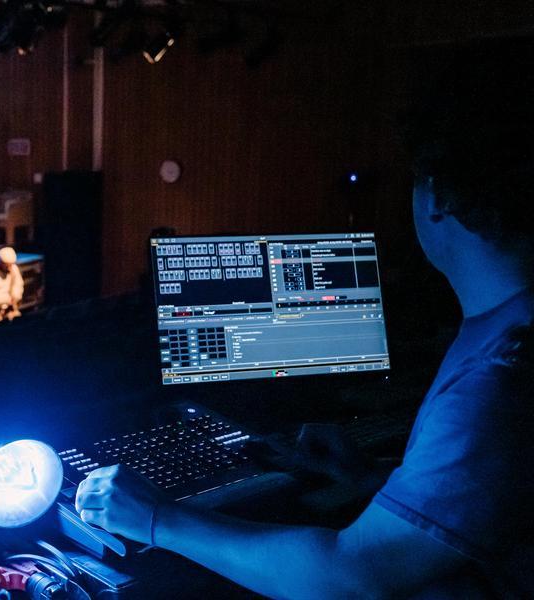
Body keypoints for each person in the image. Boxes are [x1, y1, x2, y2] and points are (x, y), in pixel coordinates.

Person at [75, 44, 534, 597]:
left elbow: (347, 577)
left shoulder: (501, 376)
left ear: (435, 194)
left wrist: (155, 517)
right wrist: (368, 478)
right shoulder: (507, 331)